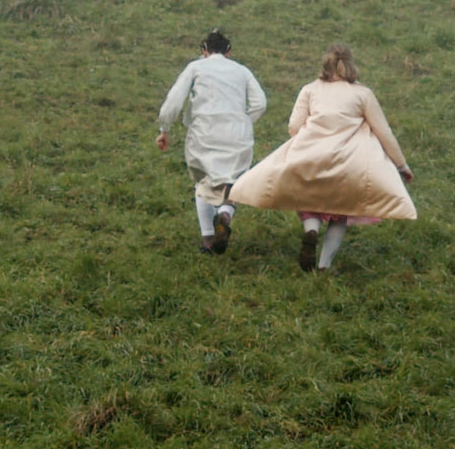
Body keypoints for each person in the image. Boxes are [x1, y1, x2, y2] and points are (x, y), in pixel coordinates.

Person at [230, 44, 415, 272]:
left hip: (310, 157)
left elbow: (293, 127)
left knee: (309, 203)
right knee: (339, 215)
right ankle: (324, 266)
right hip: (348, 163)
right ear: (350, 65)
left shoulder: (310, 90)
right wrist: (401, 165)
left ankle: (311, 230)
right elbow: (384, 132)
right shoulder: (362, 94)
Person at [157, 29, 267, 254]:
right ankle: (225, 216)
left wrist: (164, 129)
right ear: (228, 52)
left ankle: (208, 240)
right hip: (237, 134)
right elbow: (260, 103)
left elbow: (174, 100)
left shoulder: (196, 67)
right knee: (232, 183)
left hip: (203, 132)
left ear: (204, 51)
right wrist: (244, 121)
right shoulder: (242, 70)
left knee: (204, 183)